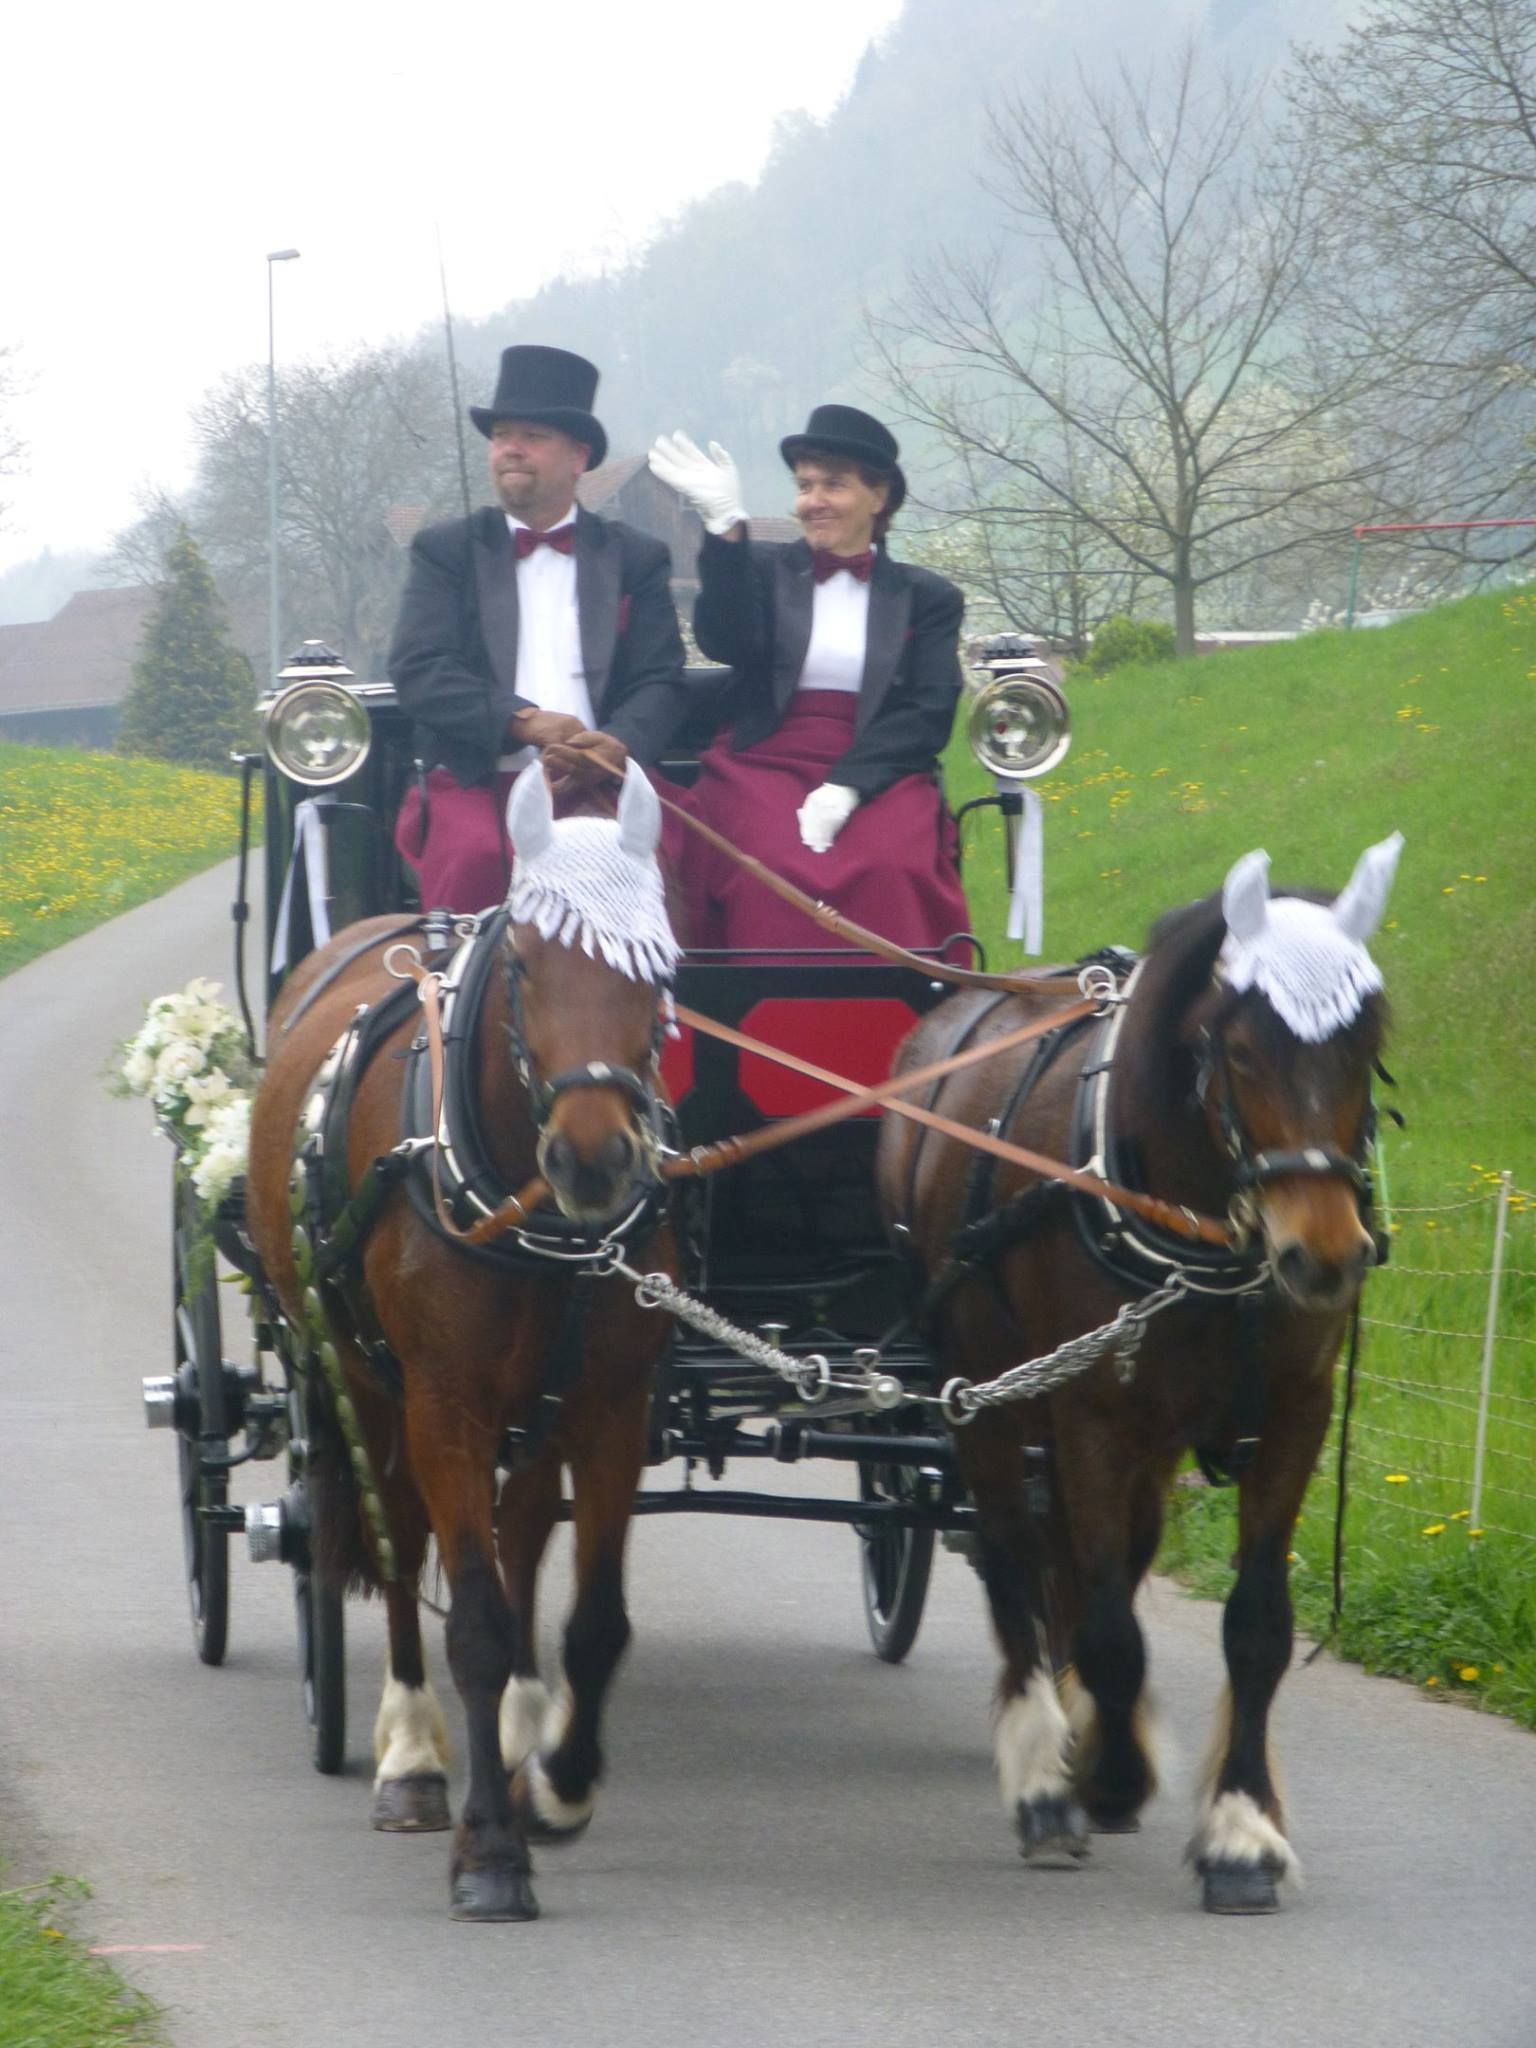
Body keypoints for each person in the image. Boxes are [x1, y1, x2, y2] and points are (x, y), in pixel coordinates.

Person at [646, 404, 970, 955]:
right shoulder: (764, 569)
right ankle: (750, 1022)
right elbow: (726, 641)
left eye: (834, 485)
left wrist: (849, 783)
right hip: (763, 759)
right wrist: (726, 533)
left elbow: (929, 710)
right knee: (764, 867)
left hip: (876, 763)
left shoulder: (927, 598)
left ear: (880, 496)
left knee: (890, 866)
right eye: (804, 485)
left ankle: (905, 1018)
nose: (813, 501)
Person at [389, 345, 690, 911]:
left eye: (531, 435)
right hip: (481, 779)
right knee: (479, 856)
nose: (510, 449)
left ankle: (658, 1001)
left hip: (601, 782)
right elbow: (419, 669)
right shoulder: (446, 550)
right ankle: (454, 997)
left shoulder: (636, 557)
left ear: (578, 457)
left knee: (650, 865)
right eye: (501, 435)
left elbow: (662, 681)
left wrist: (617, 745)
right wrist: (523, 722)